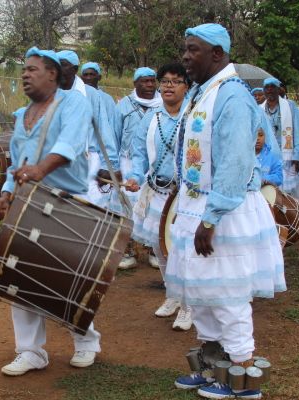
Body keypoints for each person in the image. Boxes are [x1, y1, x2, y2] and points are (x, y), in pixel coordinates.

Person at [167, 23, 285, 400]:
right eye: (185, 49)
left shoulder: (232, 97)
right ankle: (213, 367)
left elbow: (235, 163)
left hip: (223, 210)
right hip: (195, 205)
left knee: (227, 295)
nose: (185, 56)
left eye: (193, 49)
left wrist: (211, 217)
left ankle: (242, 378)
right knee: (201, 291)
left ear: (217, 53)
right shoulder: (204, 92)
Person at [0, 47, 101, 376]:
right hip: (28, 203)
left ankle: (85, 341)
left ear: (52, 74)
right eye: (23, 70)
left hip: (68, 202)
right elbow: (18, 164)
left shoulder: (74, 103)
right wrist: (6, 194)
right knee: (20, 275)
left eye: (33, 70)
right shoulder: (21, 116)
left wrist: (42, 168)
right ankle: (30, 351)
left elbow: (68, 145)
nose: (25, 75)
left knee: (68, 277)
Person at [122, 63, 193, 330]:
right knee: (160, 249)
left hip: (184, 197)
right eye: (165, 81)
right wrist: (135, 177)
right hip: (156, 193)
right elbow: (139, 152)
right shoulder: (151, 118)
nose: (168, 86)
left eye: (176, 81)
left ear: (186, 86)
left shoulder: (193, 115)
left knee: (182, 252)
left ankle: (188, 306)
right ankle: (172, 296)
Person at [56, 51, 120, 210]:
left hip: (89, 162)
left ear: (75, 69)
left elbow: (104, 131)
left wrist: (108, 165)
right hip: (56, 163)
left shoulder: (91, 95)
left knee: (88, 213)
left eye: (63, 65)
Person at [116, 66, 162, 269]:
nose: (150, 85)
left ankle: (154, 249)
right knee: (127, 206)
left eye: (153, 80)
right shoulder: (123, 106)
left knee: (155, 206)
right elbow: (115, 136)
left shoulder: (164, 104)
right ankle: (128, 251)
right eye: (145, 81)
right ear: (135, 83)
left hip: (155, 164)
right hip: (128, 161)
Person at [261, 77, 299, 198]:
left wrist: (297, 156)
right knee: (269, 192)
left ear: (278, 89)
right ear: (264, 90)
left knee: (289, 194)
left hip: (287, 157)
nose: (269, 90)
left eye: (272, 87)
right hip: (267, 156)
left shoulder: (290, 106)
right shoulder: (259, 109)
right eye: (267, 87)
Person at [81, 61, 122, 135]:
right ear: (81, 77)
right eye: (85, 75)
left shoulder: (107, 99)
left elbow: (112, 123)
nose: (89, 78)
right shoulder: (77, 96)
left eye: (92, 74)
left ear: (99, 77)